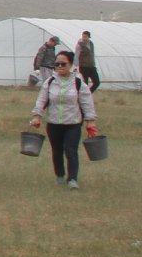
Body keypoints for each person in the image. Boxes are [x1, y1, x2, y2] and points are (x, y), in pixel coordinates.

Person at [29, 49, 98, 188]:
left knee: (71, 150)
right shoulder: (50, 82)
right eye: (57, 64)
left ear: (71, 65)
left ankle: (72, 179)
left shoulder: (78, 83)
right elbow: (42, 100)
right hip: (53, 124)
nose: (60, 66)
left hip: (73, 124)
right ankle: (60, 175)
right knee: (57, 151)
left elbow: (87, 102)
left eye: (63, 64)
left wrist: (90, 121)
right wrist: (37, 116)